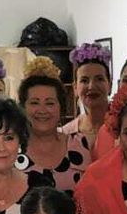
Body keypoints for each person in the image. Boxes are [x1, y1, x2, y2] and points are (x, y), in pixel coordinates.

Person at [20, 58, 90, 191]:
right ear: (23, 108)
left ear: (61, 107)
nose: (42, 110)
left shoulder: (79, 143)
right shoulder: (12, 148)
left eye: (50, 103)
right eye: (34, 103)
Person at [67, 41, 114, 155]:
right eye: (84, 80)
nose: (92, 86)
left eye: (99, 79)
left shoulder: (126, 128)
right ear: (75, 88)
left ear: (110, 85)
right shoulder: (66, 134)